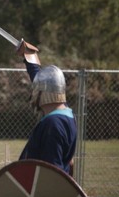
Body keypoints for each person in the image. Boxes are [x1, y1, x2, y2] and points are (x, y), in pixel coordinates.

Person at [16, 39, 77, 175]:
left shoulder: (53, 124)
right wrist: (29, 54)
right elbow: (40, 80)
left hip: (43, 193)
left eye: (36, 89)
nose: (34, 92)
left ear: (42, 93)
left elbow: (52, 172)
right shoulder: (67, 113)